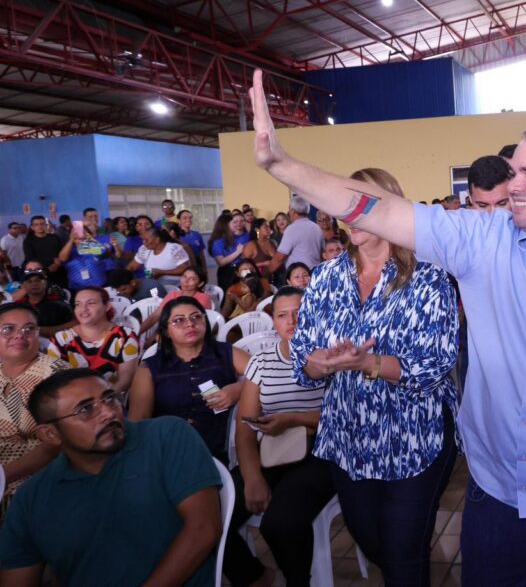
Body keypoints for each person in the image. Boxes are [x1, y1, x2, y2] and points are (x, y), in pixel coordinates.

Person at [249, 68, 526, 582]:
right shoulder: (482, 241)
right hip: (497, 501)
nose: (514, 185)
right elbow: (378, 209)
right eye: (514, 172)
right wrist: (282, 164)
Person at [291, 167, 459, 584]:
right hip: (349, 437)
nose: (349, 215)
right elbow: (303, 358)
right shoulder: (325, 278)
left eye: (360, 204)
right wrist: (320, 363)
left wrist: (368, 363)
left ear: (390, 209)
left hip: (414, 438)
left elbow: (435, 363)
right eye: (343, 204)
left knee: (403, 558)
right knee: (372, 542)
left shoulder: (428, 277)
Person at [0, 369, 222, 586]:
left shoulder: (165, 435)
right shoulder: (31, 499)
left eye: (109, 398)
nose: (108, 413)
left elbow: (204, 528)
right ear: (51, 434)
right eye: (85, 409)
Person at [223, 287, 334, 587]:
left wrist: (293, 419)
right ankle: (254, 576)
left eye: (299, 313)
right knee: (212, 514)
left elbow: (346, 418)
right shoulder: (261, 361)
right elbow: (245, 426)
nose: (292, 321)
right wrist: (252, 477)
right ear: (273, 321)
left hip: (321, 452)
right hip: (272, 451)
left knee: (280, 523)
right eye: (283, 315)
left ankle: (299, 582)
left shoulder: (331, 356)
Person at [128, 296, 248, 459]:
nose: (190, 324)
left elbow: (266, 375)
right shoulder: (150, 368)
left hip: (221, 448)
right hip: (169, 451)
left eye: (196, 317)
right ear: (166, 331)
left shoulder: (225, 352)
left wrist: (239, 389)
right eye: (179, 320)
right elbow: (139, 422)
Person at [0, 303, 70, 513]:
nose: (20, 335)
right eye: (8, 329)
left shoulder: (57, 375)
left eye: (29, 328)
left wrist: (4, 476)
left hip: (36, 482)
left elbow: (57, 443)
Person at [47, 287, 139, 393]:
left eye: (91, 303)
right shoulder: (61, 340)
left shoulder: (124, 337)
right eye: (78, 304)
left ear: (107, 306)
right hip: (74, 399)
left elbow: (125, 381)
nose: (83, 308)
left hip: (111, 397)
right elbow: (57, 382)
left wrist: (102, 399)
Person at [139, 266, 214, 337]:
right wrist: (137, 333)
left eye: (191, 279)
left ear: (200, 284)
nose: (186, 281)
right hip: (171, 332)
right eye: (184, 277)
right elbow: (155, 316)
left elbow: (186, 320)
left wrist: (157, 335)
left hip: (192, 334)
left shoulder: (203, 298)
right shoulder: (173, 295)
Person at [56, 208, 118, 290]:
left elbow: (102, 251)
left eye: (86, 228)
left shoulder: (94, 245)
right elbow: (62, 258)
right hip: (77, 287)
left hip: (99, 285)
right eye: (79, 228)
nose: (81, 231)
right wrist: (71, 240)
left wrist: (85, 241)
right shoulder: (70, 246)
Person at [8, 263, 73, 337]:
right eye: (29, 281)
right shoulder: (19, 306)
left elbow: (74, 323)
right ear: (23, 286)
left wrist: (45, 331)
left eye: (38, 280)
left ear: (45, 283)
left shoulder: (59, 303)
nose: (34, 284)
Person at [266, 197, 323, 276]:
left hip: (300, 276)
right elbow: (322, 253)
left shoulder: (292, 229)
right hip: (316, 272)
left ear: (292, 211)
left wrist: (265, 274)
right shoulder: (317, 227)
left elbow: (279, 258)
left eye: (289, 209)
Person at [211, 212, 251, 291]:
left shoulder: (239, 236)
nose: (237, 224)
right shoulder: (218, 241)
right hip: (228, 272)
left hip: (242, 268)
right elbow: (221, 262)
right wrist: (238, 252)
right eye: (234, 222)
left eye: (241, 221)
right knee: (229, 294)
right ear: (226, 225)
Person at [23, 216, 65, 288]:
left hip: (58, 271)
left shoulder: (55, 238)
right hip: (40, 273)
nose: (40, 226)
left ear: (46, 225)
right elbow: (30, 258)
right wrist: (48, 268)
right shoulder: (28, 241)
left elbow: (61, 253)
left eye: (42, 224)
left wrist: (58, 263)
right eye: (36, 224)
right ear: (32, 227)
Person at [176, 210, 206, 275]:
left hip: (197, 263)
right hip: (184, 265)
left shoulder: (197, 234)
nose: (188, 220)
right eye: (184, 218)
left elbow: (201, 253)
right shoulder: (176, 236)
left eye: (190, 218)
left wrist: (204, 268)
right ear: (179, 220)